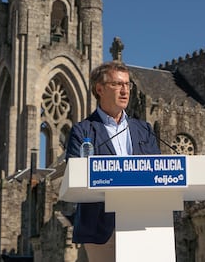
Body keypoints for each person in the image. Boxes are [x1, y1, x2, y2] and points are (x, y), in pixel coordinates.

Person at [65, 61, 161, 261]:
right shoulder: (82, 131)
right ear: (99, 89)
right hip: (101, 228)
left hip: (142, 223)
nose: (125, 90)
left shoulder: (144, 129)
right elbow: (77, 177)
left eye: (127, 85)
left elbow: (157, 173)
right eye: (117, 84)